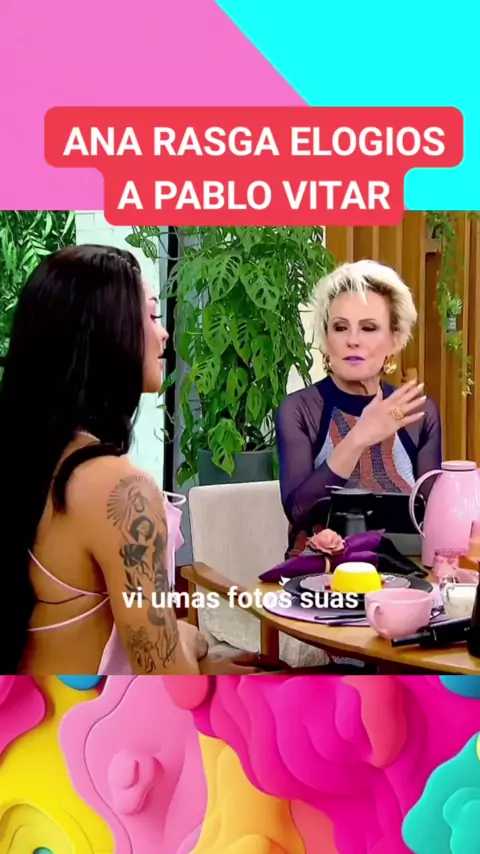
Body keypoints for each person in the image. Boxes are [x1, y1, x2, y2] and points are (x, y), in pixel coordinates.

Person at [0, 244, 261, 676]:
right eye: (153, 316)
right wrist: (190, 639)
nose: (164, 334)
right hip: (89, 716)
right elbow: (166, 678)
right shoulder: (117, 487)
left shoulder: (31, 458)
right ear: (108, 333)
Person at [276, 259, 442, 557]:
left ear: (395, 339)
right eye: (340, 328)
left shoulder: (419, 413)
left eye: (369, 328)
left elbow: (434, 518)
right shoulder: (299, 410)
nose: (353, 340)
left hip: (407, 572)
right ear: (326, 339)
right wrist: (359, 437)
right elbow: (298, 512)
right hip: (322, 574)